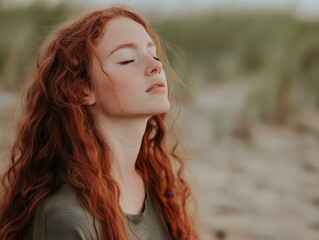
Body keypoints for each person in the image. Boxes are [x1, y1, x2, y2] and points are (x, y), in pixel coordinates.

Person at [0, 6, 199, 240]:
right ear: (82, 89)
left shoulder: (154, 183)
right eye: (127, 59)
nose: (156, 66)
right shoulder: (68, 218)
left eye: (153, 54)